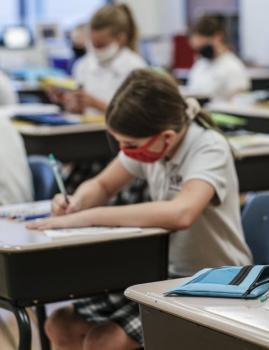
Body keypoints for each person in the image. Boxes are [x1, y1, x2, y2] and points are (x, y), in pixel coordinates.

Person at [29, 69, 252, 349]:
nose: (124, 151)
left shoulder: (208, 147)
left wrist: (89, 217)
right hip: (162, 275)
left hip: (215, 282)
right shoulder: (150, 142)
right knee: (60, 325)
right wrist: (76, 203)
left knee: (104, 341)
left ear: (167, 137)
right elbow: (102, 185)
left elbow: (181, 213)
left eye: (129, 145)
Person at [51, 4, 147, 114]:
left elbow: (136, 117)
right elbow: (79, 112)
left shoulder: (135, 68)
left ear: (121, 38)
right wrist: (67, 101)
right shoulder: (82, 65)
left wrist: (96, 104)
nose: (96, 50)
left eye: (101, 45)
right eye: (93, 43)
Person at [186, 15, 250, 101]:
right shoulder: (200, 64)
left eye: (203, 47)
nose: (201, 52)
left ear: (218, 37)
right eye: (198, 49)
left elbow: (240, 102)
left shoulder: (233, 67)